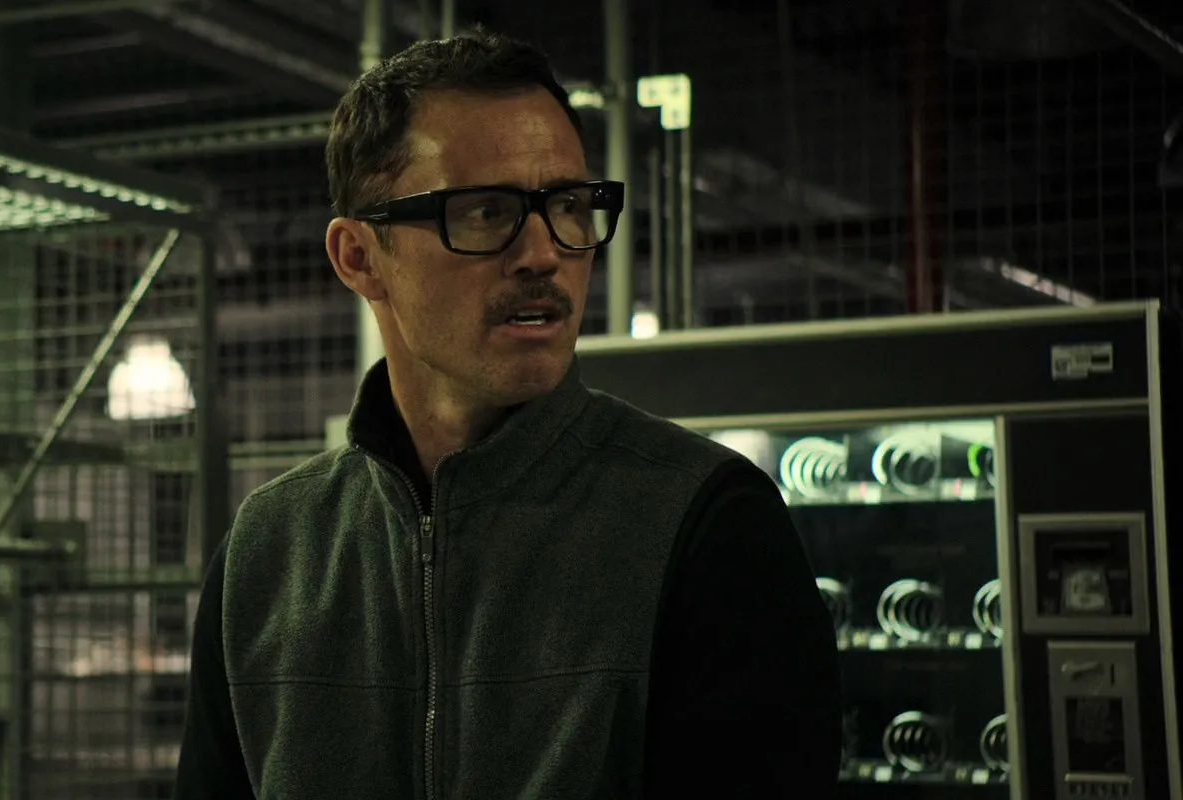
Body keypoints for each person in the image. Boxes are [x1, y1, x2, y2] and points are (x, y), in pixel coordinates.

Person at [172, 28, 840, 800]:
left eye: (568, 206)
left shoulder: (706, 526)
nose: (543, 253)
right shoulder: (267, 555)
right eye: (487, 212)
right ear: (359, 257)